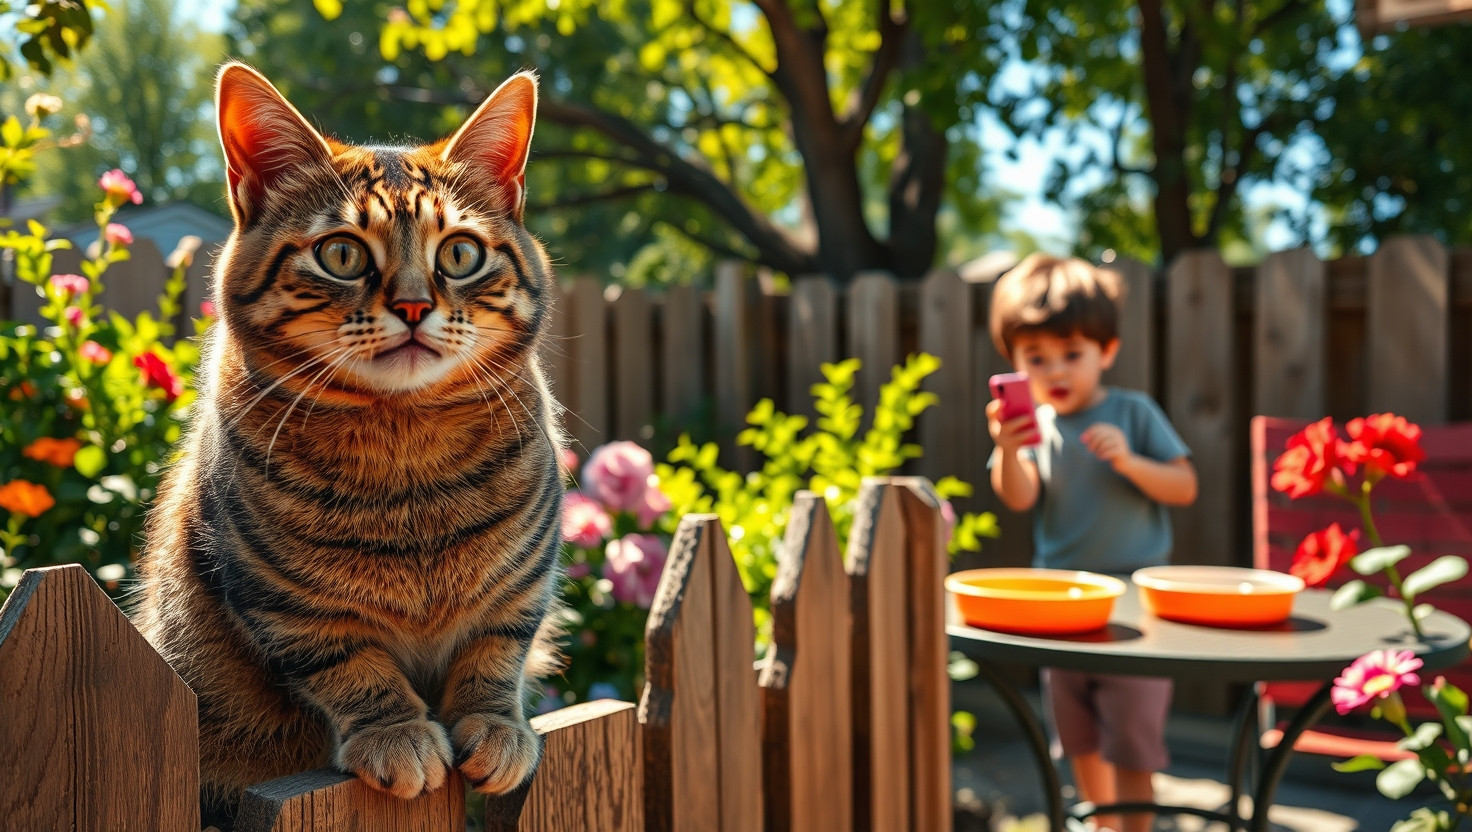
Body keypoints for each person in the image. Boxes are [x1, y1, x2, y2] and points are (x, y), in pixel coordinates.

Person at [986, 253, 1199, 832]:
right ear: (1014, 363)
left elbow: (1183, 487)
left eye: (1072, 354)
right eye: (1036, 358)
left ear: (1106, 350)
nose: (1056, 370)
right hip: (1059, 606)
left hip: (1134, 609)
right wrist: (1006, 449)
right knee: (1075, 734)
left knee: (1131, 738)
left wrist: (1130, 462)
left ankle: (1134, 827)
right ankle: (1099, 824)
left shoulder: (1133, 413)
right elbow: (1019, 496)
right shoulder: (1033, 429)